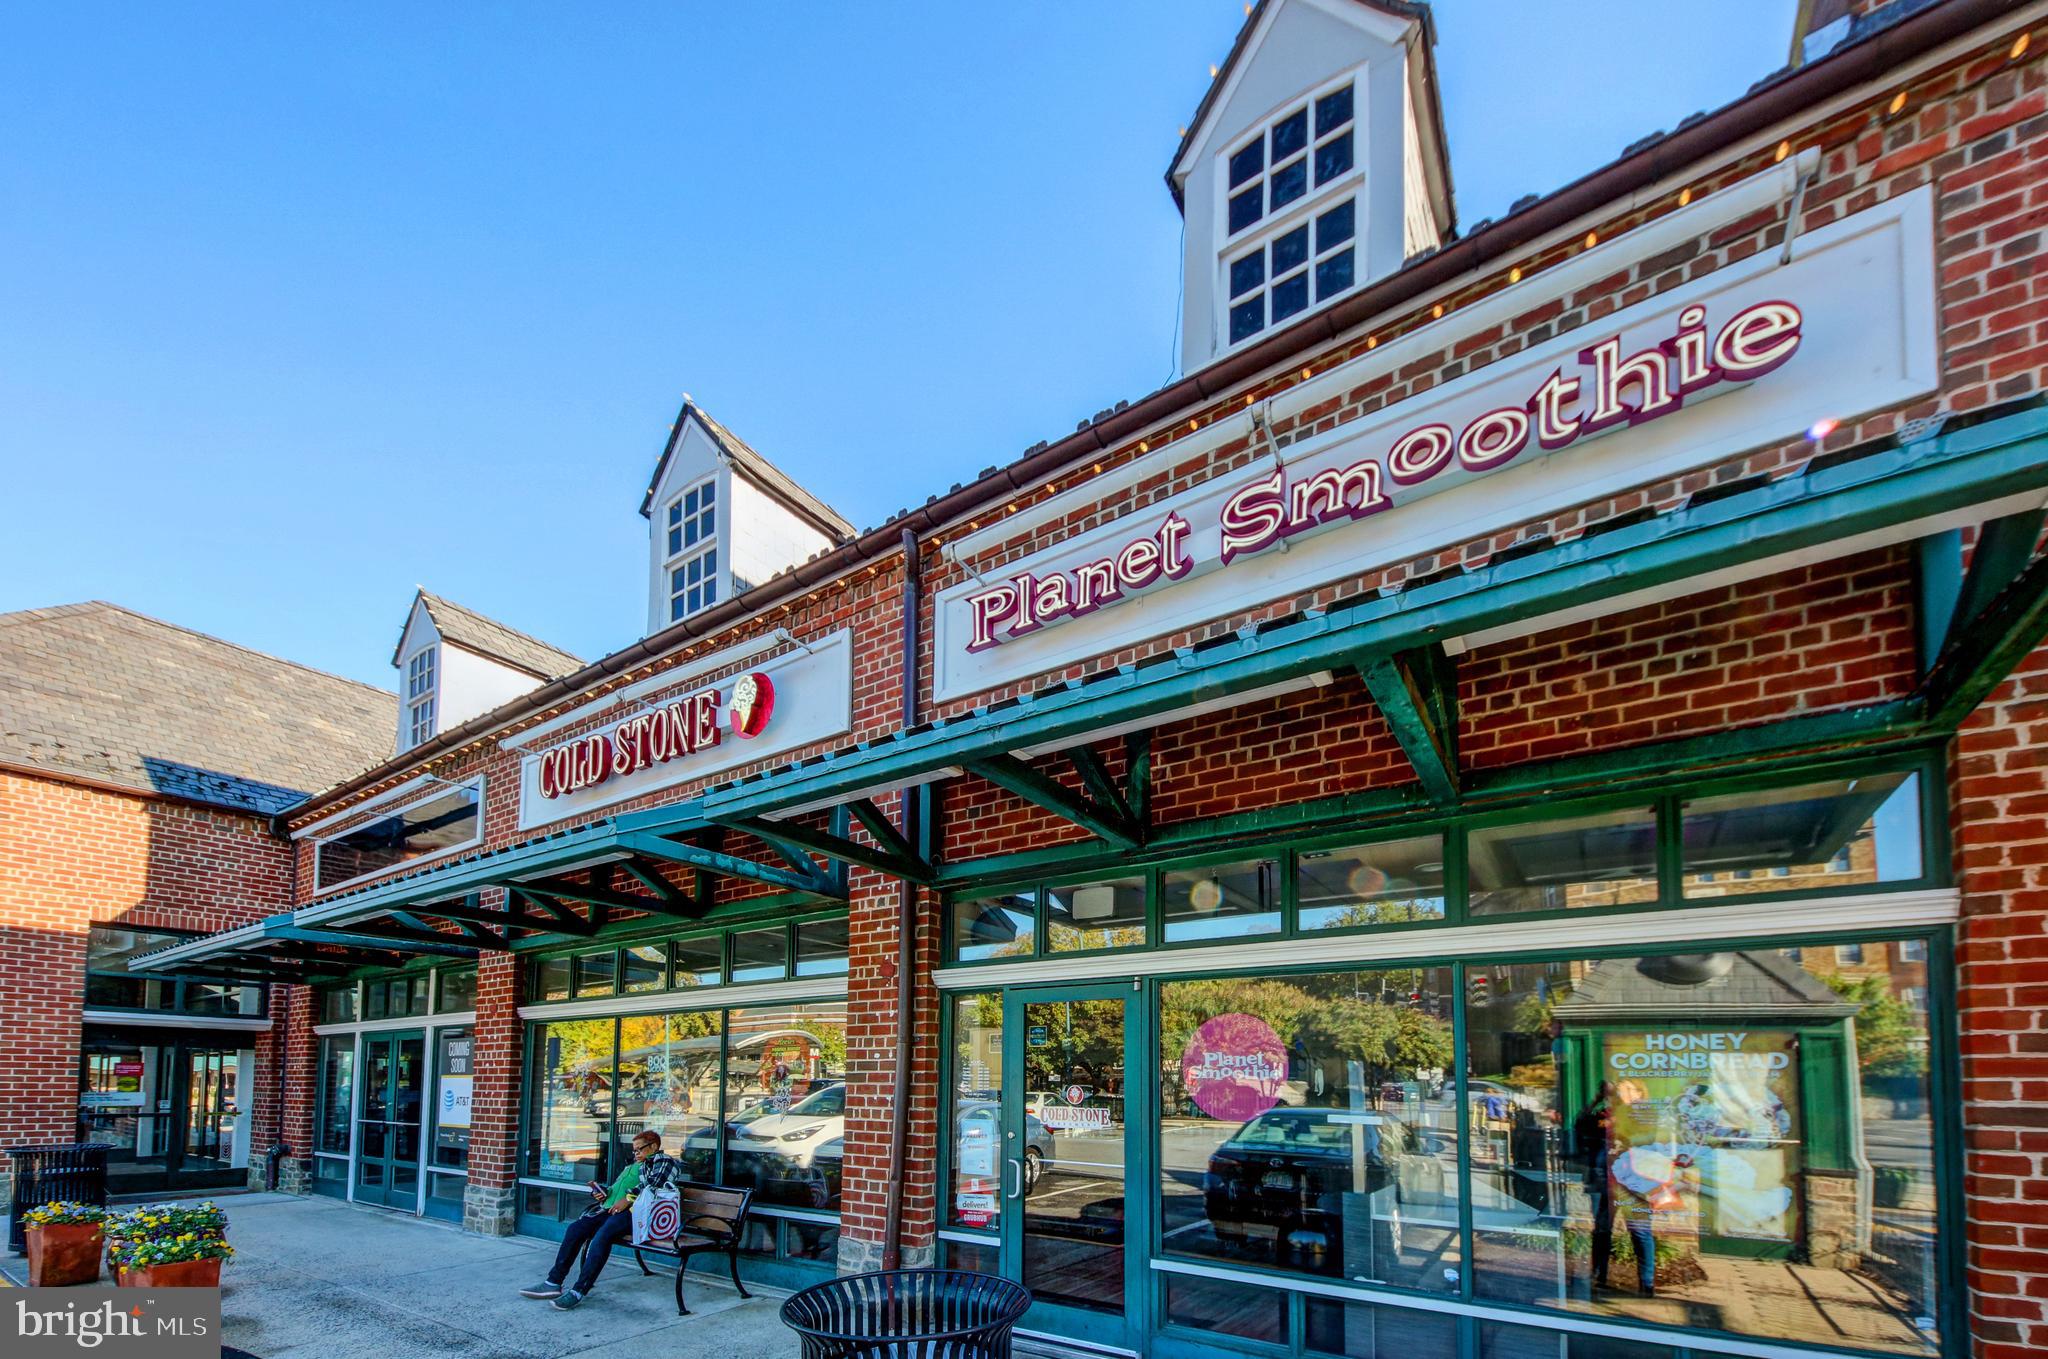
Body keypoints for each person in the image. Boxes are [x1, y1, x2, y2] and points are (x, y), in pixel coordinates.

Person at [520, 1129, 680, 1310]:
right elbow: (620, 1189)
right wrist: (604, 1193)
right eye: (634, 1150)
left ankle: (579, 1290)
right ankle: (553, 1282)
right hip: (614, 1210)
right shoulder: (637, 1166)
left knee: (603, 1236)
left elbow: (655, 1184)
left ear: (654, 1146)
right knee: (576, 1229)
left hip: (640, 1215)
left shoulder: (664, 1160)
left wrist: (628, 1199)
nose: (636, 1153)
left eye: (639, 1149)